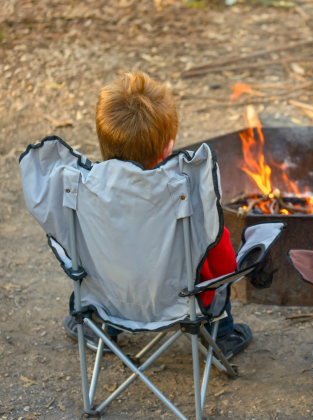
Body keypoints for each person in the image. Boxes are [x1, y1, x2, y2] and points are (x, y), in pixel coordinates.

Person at [62, 72, 251, 360]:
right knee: (217, 277)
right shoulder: (189, 198)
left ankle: (98, 328)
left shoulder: (83, 192)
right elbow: (224, 265)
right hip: (179, 306)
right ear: (169, 146)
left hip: (109, 300)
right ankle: (220, 334)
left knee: (95, 272)